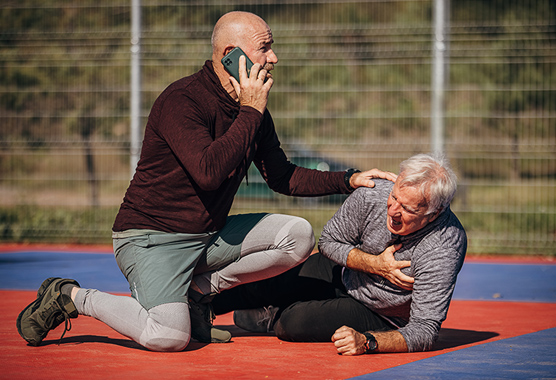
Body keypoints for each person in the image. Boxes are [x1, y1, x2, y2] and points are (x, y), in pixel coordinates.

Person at [16, 11, 397, 352]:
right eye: (265, 48)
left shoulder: (254, 113)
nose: (274, 58)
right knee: (167, 336)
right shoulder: (183, 100)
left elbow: (282, 176)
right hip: (150, 239)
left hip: (205, 239)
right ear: (232, 53)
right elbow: (208, 172)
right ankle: (70, 296)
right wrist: (251, 111)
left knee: (297, 234)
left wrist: (349, 179)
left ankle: (198, 294)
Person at [213, 153, 467, 355]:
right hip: (349, 272)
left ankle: (272, 316)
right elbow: (329, 241)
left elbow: (424, 330)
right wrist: (374, 264)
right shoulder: (374, 193)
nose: (393, 210)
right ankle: (199, 306)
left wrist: (368, 342)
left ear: (434, 214)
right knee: (272, 279)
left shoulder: (443, 247)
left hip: (381, 311)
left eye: (408, 208)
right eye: (394, 197)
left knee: (293, 323)